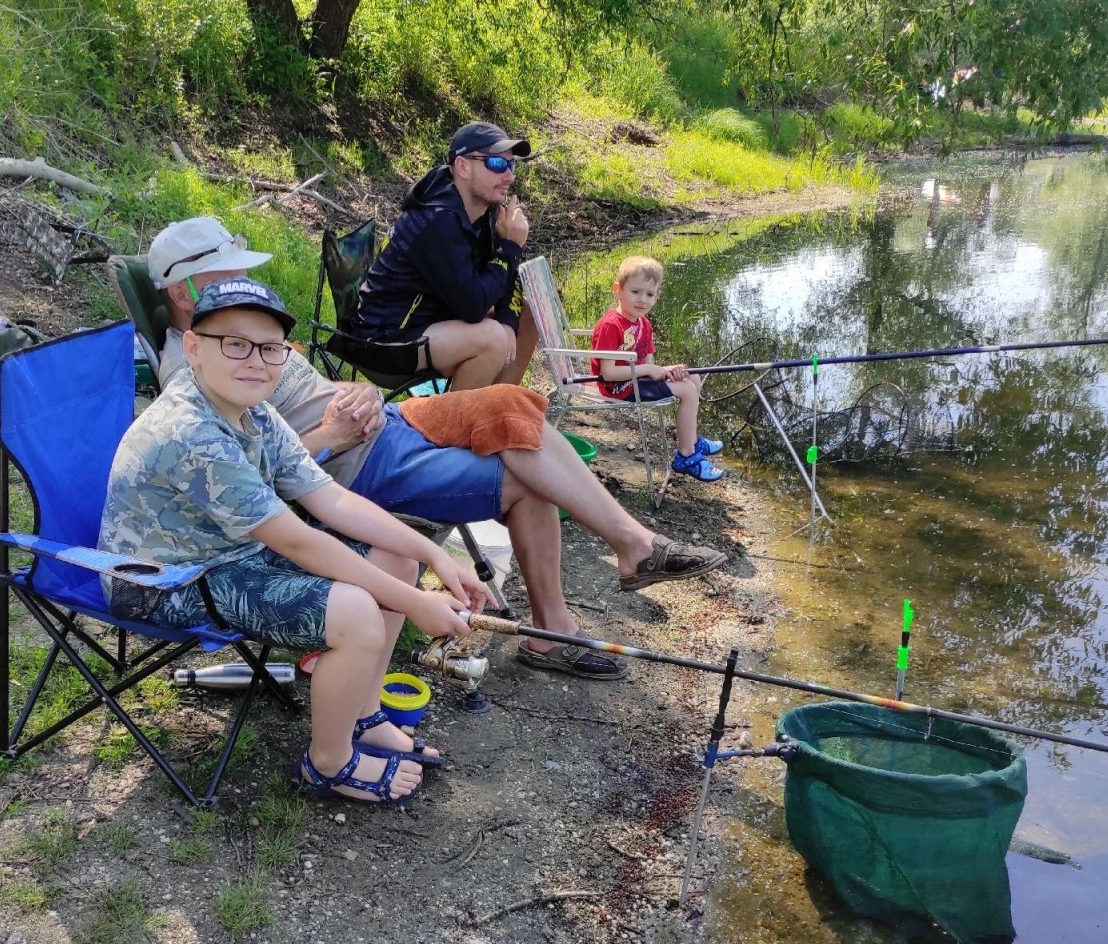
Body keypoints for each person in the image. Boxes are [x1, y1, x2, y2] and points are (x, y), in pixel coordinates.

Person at [146, 218, 733, 681]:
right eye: (227, 274)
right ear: (181, 290)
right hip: (355, 460)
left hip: (387, 419)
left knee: (514, 402)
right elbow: (247, 472)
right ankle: (559, 623)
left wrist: (362, 394)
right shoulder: (193, 368)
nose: (242, 284)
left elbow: (313, 390)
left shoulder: (241, 328)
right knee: (530, 476)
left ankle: (632, 547)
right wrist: (329, 436)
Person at [99, 276, 492, 807]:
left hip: (231, 552)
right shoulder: (190, 430)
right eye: (234, 344)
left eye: (269, 348)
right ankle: (326, 763)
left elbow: (329, 498)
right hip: (165, 579)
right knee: (356, 612)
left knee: (397, 559)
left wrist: (432, 556)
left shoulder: (254, 410)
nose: (255, 361)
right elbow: (301, 542)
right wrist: (419, 604)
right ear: (193, 347)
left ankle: (362, 712)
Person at [344, 122, 539, 392]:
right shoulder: (436, 221)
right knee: (492, 339)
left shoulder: (488, 211)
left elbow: (504, 279)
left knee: (528, 316)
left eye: (511, 165)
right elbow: (472, 306)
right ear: (462, 166)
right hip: (384, 340)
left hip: (432, 324)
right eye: (496, 163)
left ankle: (494, 416)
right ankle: (448, 430)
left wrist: (508, 321)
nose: (508, 176)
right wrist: (510, 248)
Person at [591, 255, 724, 484]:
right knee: (687, 391)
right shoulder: (611, 325)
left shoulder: (644, 324)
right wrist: (648, 370)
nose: (642, 299)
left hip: (636, 381)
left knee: (692, 377)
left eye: (649, 294)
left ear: (657, 296)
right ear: (618, 290)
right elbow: (608, 374)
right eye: (635, 292)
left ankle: (691, 438)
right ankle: (686, 455)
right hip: (617, 387)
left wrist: (667, 370)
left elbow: (649, 365)